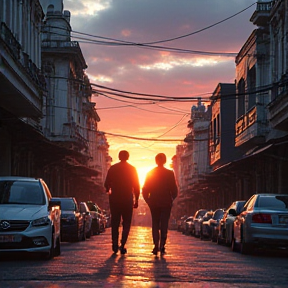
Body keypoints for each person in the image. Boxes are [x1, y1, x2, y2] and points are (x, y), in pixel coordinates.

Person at [104, 150, 140, 254]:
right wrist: (136, 200)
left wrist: (109, 190)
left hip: (115, 199)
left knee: (115, 222)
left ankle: (114, 244)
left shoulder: (113, 168)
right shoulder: (132, 169)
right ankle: (122, 244)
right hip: (127, 199)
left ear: (119, 157)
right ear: (128, 157)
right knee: (127, 223)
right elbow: (137, 186)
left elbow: (106, 184)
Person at [142, 153, 178, 256]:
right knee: (164, 224)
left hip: (154, 203)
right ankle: (162, 245)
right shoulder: (170, 173)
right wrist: (171, 199)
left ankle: (156, 245)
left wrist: (148, 201)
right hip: (166, 203)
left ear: (156, 161)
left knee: (155, 224)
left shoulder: (150, 173)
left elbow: (145, 189)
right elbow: (174, 190)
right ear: (165, 161)